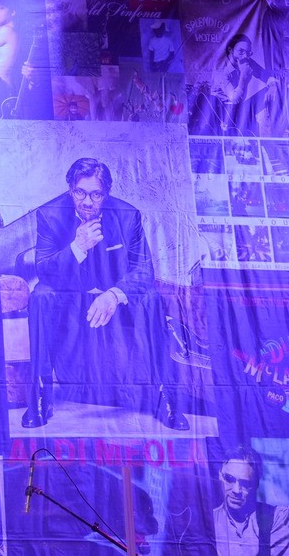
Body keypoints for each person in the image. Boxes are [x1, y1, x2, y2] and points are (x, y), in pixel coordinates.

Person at [21, 157, 188, 431]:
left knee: (151, 298)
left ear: (106, 193)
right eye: (80, 193)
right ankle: (41, 394)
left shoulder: (128, 215)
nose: (87, 202)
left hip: (114, 299)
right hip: (72, 298)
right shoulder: (49, 215)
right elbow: (45, 270)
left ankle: (165, 396)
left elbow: (143, 270)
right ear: (70, 189)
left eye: (96, 194)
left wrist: (114, 295)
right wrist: (77, 247)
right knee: (41, 296)